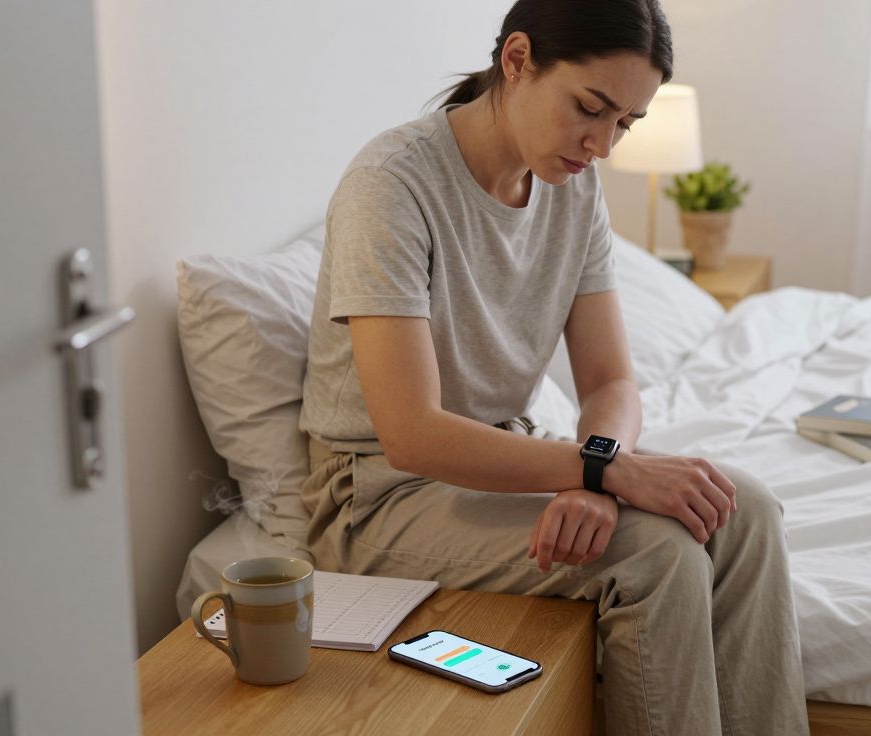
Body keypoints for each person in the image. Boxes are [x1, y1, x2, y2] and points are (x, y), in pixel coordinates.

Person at [297, 0, 808, 732]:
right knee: (657, 555)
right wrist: (600, 471)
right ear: (516, 60)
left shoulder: (572, 187)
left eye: (624, 125)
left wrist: (599, 470)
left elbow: (610, 383)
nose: (601, 144)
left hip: (513, 459)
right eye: (589, 109)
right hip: (381, 494)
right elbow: (411, 435)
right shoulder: (391, 185)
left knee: (742, 510)